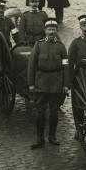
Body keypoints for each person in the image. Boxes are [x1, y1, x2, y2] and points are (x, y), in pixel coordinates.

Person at [28, 19, 70, 149]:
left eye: (53, 29)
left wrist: (65, 84)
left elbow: (66, 67)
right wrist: (31, 83)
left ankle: (52, 136)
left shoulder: (61, 47)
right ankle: (40, 138)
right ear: (45, 31)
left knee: (54, 112)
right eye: (49, 29)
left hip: (56, 83)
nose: (51, 32)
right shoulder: (39, 45)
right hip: (41, 83)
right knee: (40, 113)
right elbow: (32, 65)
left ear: (56, 31)